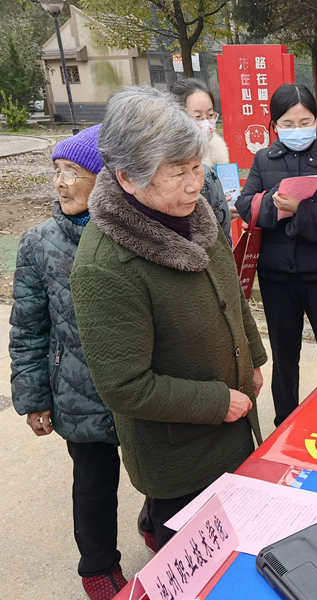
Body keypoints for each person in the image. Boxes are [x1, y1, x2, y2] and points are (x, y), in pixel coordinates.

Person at [70, 86, 268, 549]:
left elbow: (231, 293)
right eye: (177, 173)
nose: (195, 184)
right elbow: (124, 385)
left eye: (197, 167)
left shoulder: (192, 213)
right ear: (128, 179)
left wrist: (253, 358)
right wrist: (217, 402)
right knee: (194, 550)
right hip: (179, 451)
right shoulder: (105, 265)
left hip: (233, 420)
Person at [9, 125, 131, 599]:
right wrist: (34, 395)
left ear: (106, 181)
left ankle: (151, 522)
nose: (61, 183)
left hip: (139, 385)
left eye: (73, 172)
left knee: (154, 469)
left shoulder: (134, 236)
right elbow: (28, 328)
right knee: (95, 485)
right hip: (78, 390)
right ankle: (98, 568)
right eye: (57, 172)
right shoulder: (39, 243)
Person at [236, 83, 317, 427]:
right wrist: (278, 206)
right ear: (274, 125)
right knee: (284, 351)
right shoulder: (263, 158)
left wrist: (299, 210)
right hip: (276, 275)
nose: (296, 130)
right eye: (287, 123)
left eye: (304, 121)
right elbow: (247, 204)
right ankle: (285, 420)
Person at [169, 78, 233, 240]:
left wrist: (223, 208)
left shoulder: (217, 155)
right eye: (198, 117)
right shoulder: (168, 164)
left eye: (210, 115)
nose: (207, 123)